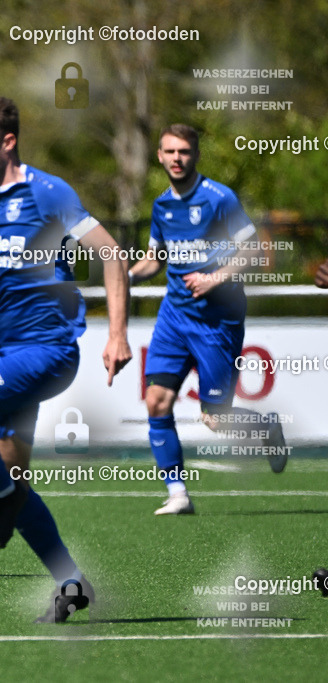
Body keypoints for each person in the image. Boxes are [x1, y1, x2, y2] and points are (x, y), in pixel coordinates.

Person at [0, 94, 132, 622]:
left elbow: (112, 254)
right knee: (15, 475)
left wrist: (117, 334)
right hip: (5, 351)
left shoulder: (49, 192)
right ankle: (72, 583)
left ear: (7, 142)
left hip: (51, 349)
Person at [128, 124, 286, 516]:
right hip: (174, 316)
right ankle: (178, 493)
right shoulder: (162, 205)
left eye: (184, 151)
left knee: (215, 419)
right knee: (156, 402)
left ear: (195, 155)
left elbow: (253, 250)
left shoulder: (219, 198)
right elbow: (155, 259)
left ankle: (266, 430)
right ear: (159, 157)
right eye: (169, 151)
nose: (177, 158)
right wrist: (125, 276)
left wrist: (215, 277)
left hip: (218, 321)